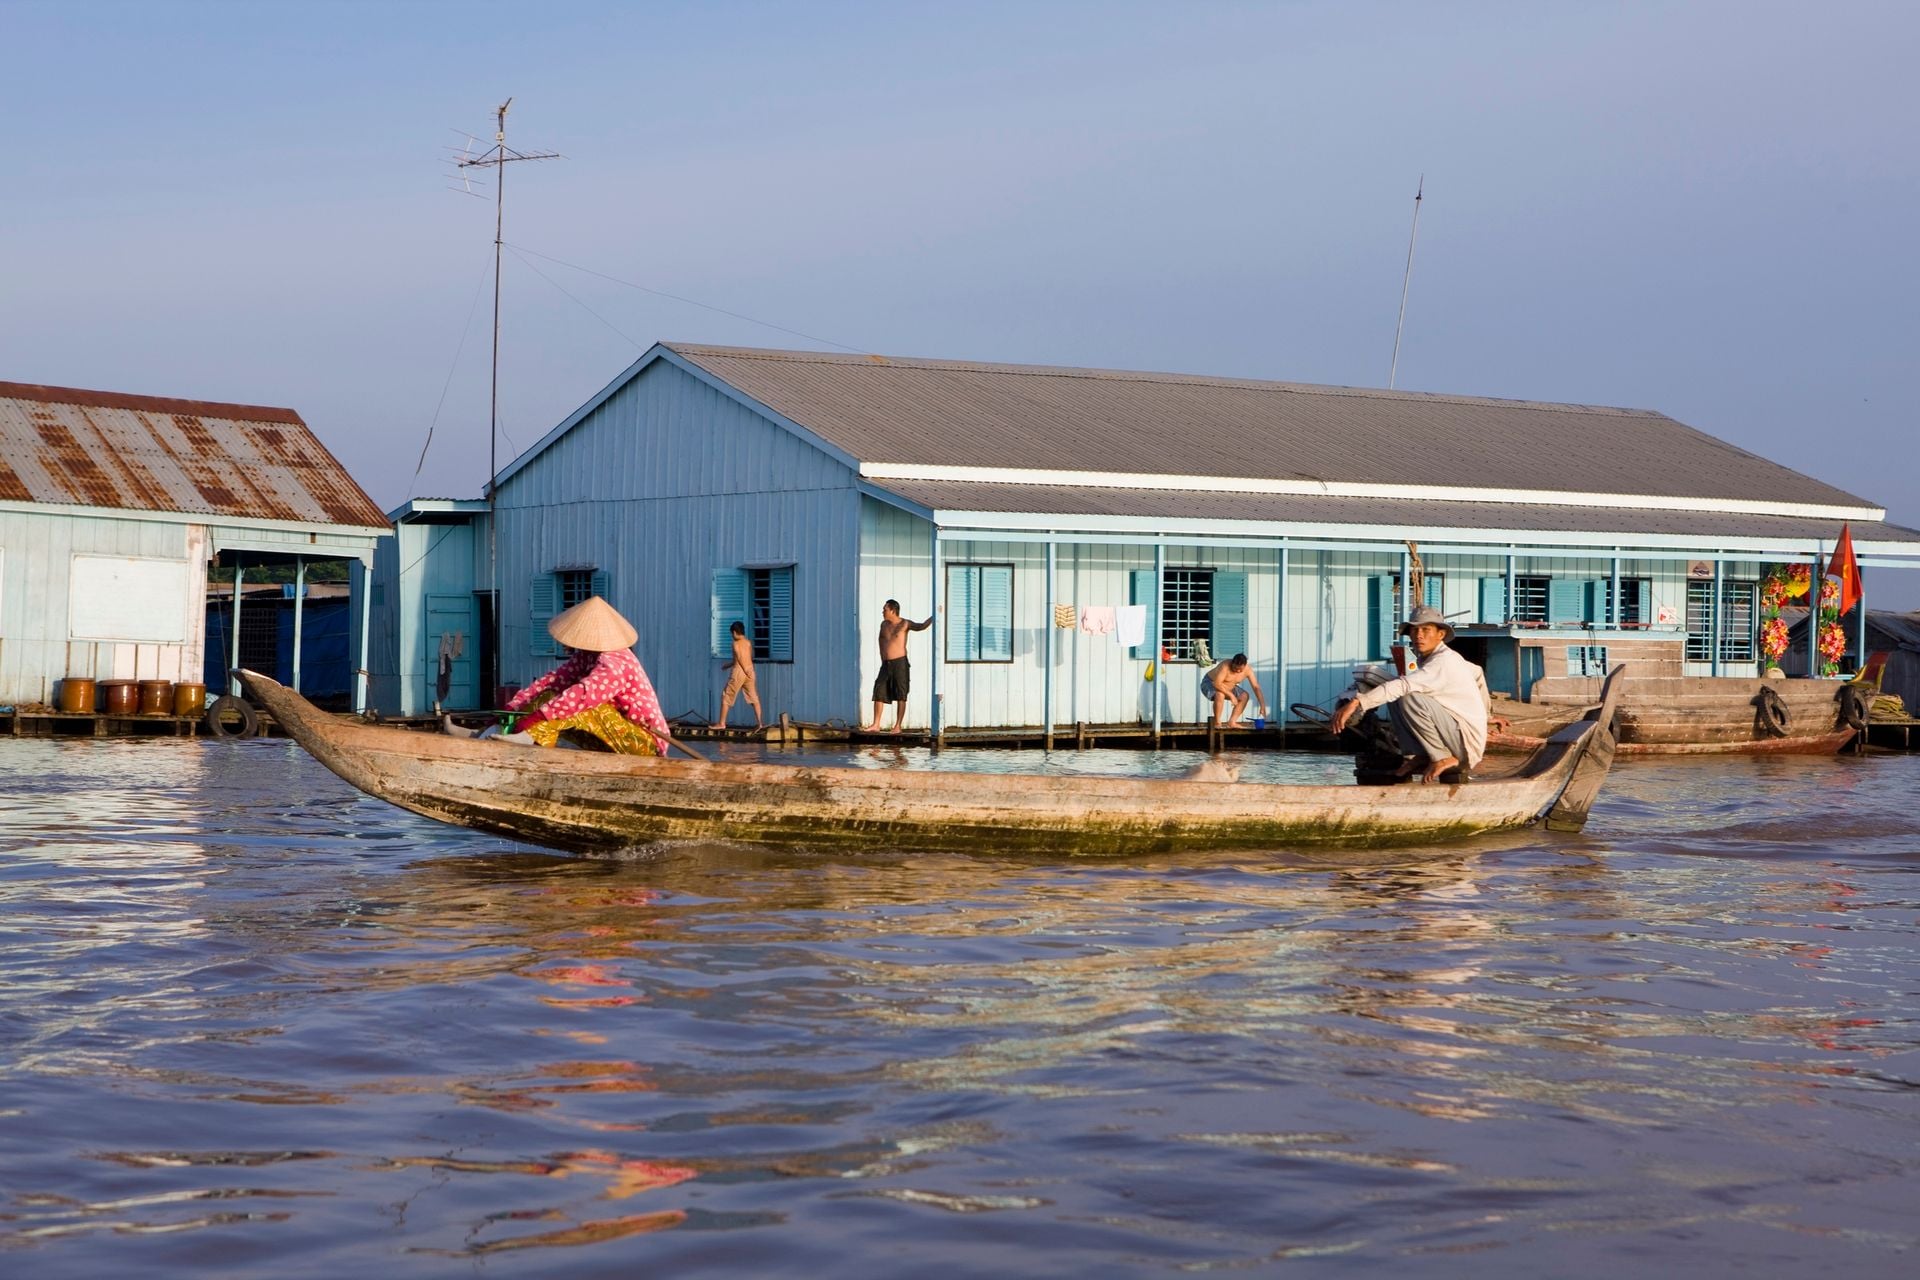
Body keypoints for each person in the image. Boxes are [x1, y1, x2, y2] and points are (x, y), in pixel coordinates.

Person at [1331, 605, 1489, 782]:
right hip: (1456, 737)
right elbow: (1478, 672)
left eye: (1426, 630)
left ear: (1441, 634)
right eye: (1415, 630)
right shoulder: (1434, 659)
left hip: (1464, 749)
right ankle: (1417, 755)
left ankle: (1441, 756)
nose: (1419, 635)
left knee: (1406, 694)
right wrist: (1487, 716)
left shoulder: (1444, 661)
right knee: (1396, 692)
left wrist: (1357, 703)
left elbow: (1404, 686)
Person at [506, 595, 671, 755]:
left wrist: (539, 717)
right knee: (549, 694)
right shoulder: (586, 657)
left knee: (585, 707)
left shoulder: (615, 662)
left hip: (645, 743)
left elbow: (584, 695)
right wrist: (514, 708)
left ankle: (531, 739)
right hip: (613, 735)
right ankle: (530, 744)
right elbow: (552, 681)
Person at [864, 598, 931, 733]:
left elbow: (921, 626)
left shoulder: (905, 624)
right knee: (879, 690)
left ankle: (897, 726)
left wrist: (935, 615)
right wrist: (883, 658)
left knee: (901, 693)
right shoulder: (884, 625)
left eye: (885, 609)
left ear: (893, 611)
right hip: (886, 664)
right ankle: (876, 724)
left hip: (900, 663)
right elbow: (881, 641)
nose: (882, 611)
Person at [714, 620, 763, 730]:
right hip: (750, 671)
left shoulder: (735, 644)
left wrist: (745, 670)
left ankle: (721, 723)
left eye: (732, 633)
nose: (732, 636)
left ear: (735, 632)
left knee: (726, 696)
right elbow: (746, 658)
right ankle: (760, 723)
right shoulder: (748, 642)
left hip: (740, 672)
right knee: (754, 698)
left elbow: (740, 658)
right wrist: (728, 665)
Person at [1201, 653, 1268, 727]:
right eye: (1235, 668)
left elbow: (1256, 687)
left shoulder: (1248, 670)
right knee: (1220, 694)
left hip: (1229, 686)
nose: (1238, 671)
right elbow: (1217, 684)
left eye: (1240, 669)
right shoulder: (1225, 666)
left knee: (1244, 696)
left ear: (1245, 666)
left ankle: (1232, 722)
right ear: (1232, 663)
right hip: (1209, 683)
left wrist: (1262, 706)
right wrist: (1231, 696)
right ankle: (1217, 722)